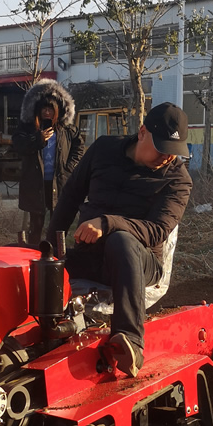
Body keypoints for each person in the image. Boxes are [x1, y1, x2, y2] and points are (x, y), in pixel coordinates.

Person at [46, 102, 192, 378]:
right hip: (90, 255)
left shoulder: (178, 180)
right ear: (142, 132)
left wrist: (107, 223)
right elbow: (70, 196)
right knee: (29, 261)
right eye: (162, 147)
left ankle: (131, 341)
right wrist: (50, 249)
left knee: (121, 241)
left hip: (139, 262)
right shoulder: (103, 150)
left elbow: (157, 230)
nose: (168, 157)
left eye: (174, 152)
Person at [12, 80, 84, 245]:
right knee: (36, 224)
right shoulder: (27, 128)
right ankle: (33, 254)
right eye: (44, 108)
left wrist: (69, 168)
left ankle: (58, 254)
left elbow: (79, 148)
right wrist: (38, 139)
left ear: (57, 110)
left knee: (58, 223)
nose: (47, 112)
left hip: (59, 183)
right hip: (35, 183)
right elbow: (18, 145)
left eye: (50, 108)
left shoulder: (67, 129)